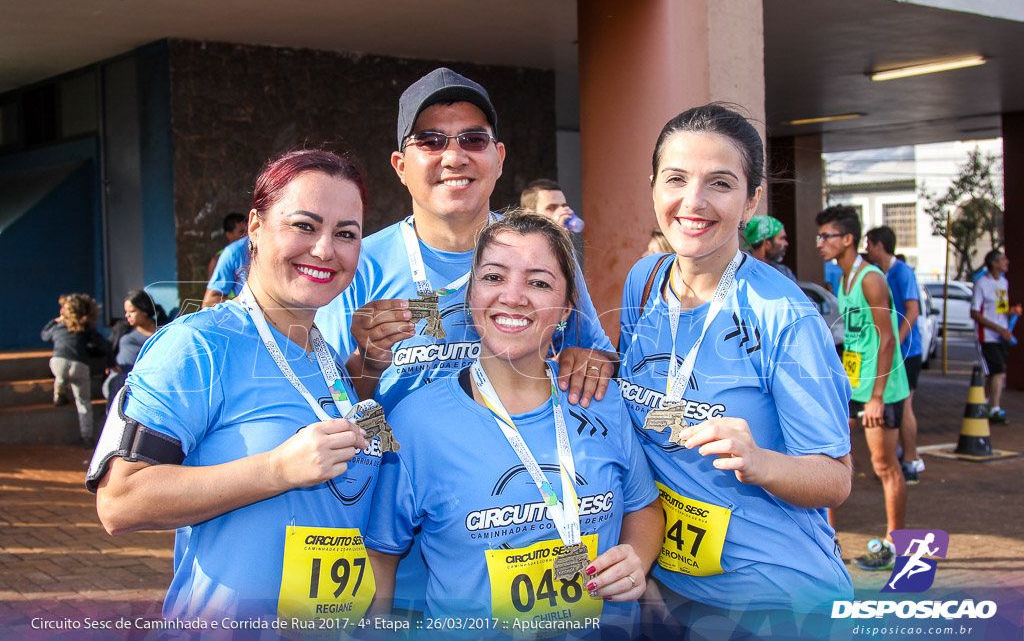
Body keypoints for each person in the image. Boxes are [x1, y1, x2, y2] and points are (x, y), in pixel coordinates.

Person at [315, 66, 617, 612]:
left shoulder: (540, 252)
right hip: (388, 545)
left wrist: (588, 357)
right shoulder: (358, 261)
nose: (454, 155)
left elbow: (595, 355)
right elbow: (330, 407)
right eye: (431, 140)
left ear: (498, 157)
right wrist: (369, 361)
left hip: (521, 526)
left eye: (472, 139)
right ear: (401, 166)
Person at [90, 149, 383, 626]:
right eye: (304, 226)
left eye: (345, 233)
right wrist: (275, 468)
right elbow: (120, 500)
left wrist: (367, 365)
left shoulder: (323, 350)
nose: (326, 250)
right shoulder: (196, 344)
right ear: (254, 227)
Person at [365, 211, 662, 633]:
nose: (514, 296)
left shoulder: (601, 400)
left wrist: (637, 556)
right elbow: (381, 555)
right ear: (471, 296)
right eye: (493, 277)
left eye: (539, 283)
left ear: (566, 310)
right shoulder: (415, 423)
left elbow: (644, 507)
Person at [618, 104, 853, 635]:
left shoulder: (784, 315)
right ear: (653, 186)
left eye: (719, 183)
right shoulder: (643, 281)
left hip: (772, 596)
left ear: (750, 201)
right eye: (676, 179)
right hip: (673, 588)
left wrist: (759, 461)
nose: (693, 202)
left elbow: (835, 478)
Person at [817, 205, 910, 571]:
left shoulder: (871, 278)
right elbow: (859, 339)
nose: (820, 243)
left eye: (826, 236)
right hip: (855, 387)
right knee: (830, 459)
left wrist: (875, 397)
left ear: (848, 239)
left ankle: (895, 546)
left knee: (885, 467)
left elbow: (888, 340)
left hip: (880, 390)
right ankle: (828, 542)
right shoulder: (842, 279)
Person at [864, 226, 925, 484]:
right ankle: (896, 458)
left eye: (869, 244)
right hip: (892, 349)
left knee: (905, 406)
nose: (866, 249)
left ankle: (911, 461)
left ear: (879, 245)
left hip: (907, 351)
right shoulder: (879, 273)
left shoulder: (903, 272)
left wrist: (895, 343)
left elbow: (913, 310)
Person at [41, 293, 108, 446]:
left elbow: (44, 336)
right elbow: (98, 345)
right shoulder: (85, 329)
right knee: (83, 401)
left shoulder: (58, 326)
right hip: (80, 365)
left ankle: (59, 388)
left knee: (59, 368)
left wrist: (53, 322)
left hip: (59, 363)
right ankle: (87, 436)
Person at [971, 250, 1020, 424]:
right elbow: (975, 313)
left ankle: (981, 405)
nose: (1007, 261)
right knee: (998, 372)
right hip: (988, 337)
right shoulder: (981, 284)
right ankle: (995, 409)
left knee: (994, 374)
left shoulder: (1003, 283)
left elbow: (1000, 309)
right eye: (1003, 259)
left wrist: (1011, 312)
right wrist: (998, 328)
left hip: (1002, 337)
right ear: (994, 263)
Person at [101, 290, 161, 404]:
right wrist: (110, 363)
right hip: (119, 376)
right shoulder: (122, 327)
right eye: (126, 311)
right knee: (121, 383)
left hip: (144, 378)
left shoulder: (162, 331)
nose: (126, 315)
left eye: (132, 311)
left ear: (144, 311)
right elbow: (107, 346)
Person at [743, 215, 797, 283]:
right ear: (767, 243)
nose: (786, 243)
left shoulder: (784, 273)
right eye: (782, 238)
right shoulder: (742, 270)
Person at [202, 232, 249, 307]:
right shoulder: (232, 252)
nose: (243, 235)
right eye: (241, 232)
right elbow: (209, 302)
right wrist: (248, 306)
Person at [206, 212, 247, 280]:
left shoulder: (253, 257)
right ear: (228, 235)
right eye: (241, 232)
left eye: (247, 232)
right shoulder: (217, 260)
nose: (246, 236)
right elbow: (214, 289)